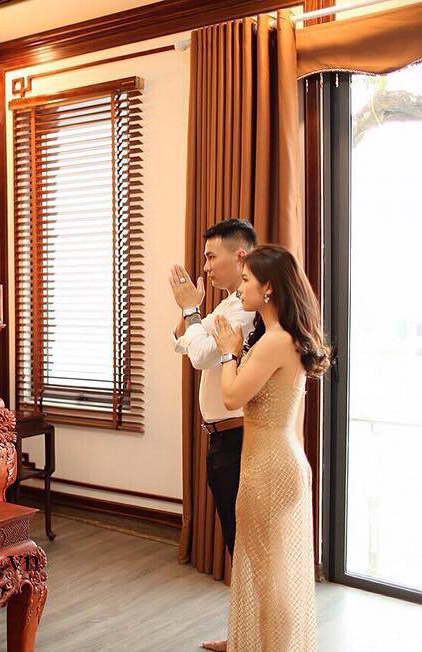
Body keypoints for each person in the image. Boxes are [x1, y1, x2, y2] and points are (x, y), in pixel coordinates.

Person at [209, 244, 330, 651]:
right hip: (281, 460)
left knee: (268, 577)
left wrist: (228, 352)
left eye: (246, 280)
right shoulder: (284, 338)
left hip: (268, 468)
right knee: (273, 574)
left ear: (269, 289)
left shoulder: (275, 341)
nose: (241, 287)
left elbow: (231, 397)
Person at [171, 218, 257, 561]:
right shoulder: (226, 303)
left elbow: (202, 356)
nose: (205, 267)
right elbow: (181, 341)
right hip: (221, 436)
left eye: (211, 257)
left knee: (243, 541)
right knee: (235, 537)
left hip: (238, 436)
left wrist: (192, 310)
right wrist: (189, 312)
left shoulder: (245, 308)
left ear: (239, 256)